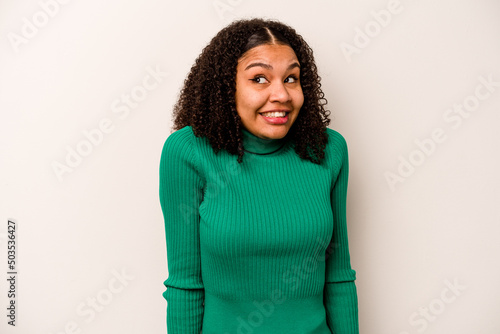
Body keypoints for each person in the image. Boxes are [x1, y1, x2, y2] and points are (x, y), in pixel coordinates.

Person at [159, 18, 359, 334]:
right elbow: (186, 285)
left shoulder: (329, 150)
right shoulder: (188, 152)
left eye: (291, 78)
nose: (281, 94)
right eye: (260, 79)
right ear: (227, 87)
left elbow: (338, 276)